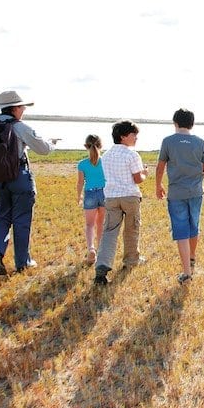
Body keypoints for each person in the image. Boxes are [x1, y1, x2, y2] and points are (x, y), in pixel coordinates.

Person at [0, 90, 60, 275]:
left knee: (1, 217)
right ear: (16, 108)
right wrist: (52, 143)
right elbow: (42, 149)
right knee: (21, 220)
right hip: (19, 177)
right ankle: (23, 262)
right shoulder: (20, 127)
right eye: (22, 107)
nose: (24, 110)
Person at [154, 109, 204, 284]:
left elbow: (160, 166)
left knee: (181, 230)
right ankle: (192, 256)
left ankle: (186, 272)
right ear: (192, 124)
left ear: (175, 123)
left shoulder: (168, 141)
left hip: (176, 193)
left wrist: (158, 185)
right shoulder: (200, 142)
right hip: (196, 192)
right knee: (194, 225)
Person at [94, 120, 148, 285]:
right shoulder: (132, 154)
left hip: (111, 197)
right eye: (134, 134)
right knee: (131, 229)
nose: (136, 138)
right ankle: (131, 260)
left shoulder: (107, 155)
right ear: (123, 136)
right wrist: (145, 172)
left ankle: (102, 266)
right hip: (130, 197)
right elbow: (138, 179)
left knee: (109, 232)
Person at [76, 134, 106, 265]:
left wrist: (78, 196)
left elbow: (80, 182)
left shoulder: (82, 164)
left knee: (89, 225)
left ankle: (91, 249)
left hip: (89, 194)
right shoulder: (105, 161)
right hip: (104, 193)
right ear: (101, 146)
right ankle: (100, 250)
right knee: (101, 224)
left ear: (85, 147)